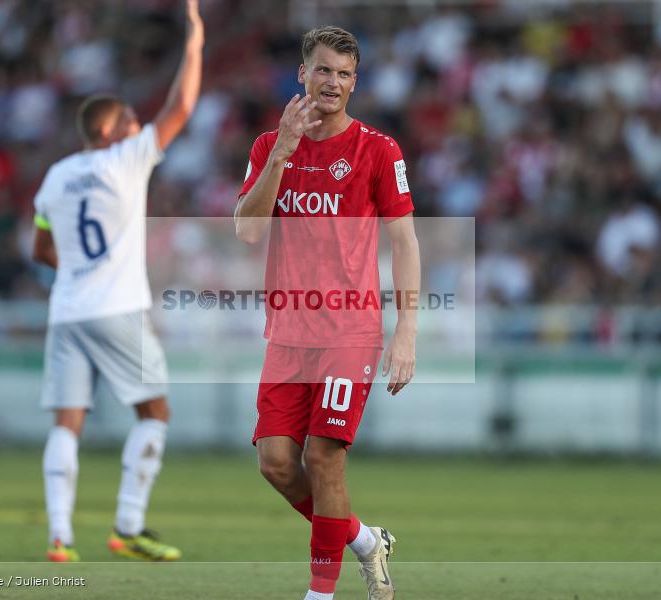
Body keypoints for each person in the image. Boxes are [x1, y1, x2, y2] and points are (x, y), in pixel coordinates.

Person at [234, 26, 420, 600]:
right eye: (322, 70)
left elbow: (405, 242)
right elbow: (246, 229)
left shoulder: (378, 150)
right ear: (301, 74)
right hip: (288, 332)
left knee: (322, 454)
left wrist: (406, 330)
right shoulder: (270, 147)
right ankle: (364, 540)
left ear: (355, 82)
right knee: (276, 463)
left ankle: (321, 594)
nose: (332, 82)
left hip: (350, 328)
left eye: (343, 73)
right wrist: (284, 153)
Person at [30, 0, 203, 563]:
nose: (137, 126)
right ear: (108, 130)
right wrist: (194, 42)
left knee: (67, 423)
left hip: (67, 311)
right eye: (130, 120)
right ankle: (128, 525)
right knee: (155, 414)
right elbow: (181, 105)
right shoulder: (123, 160)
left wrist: (78, 269)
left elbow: (40, 248)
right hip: (118, 307)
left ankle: (60, 536)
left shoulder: (54, 178)